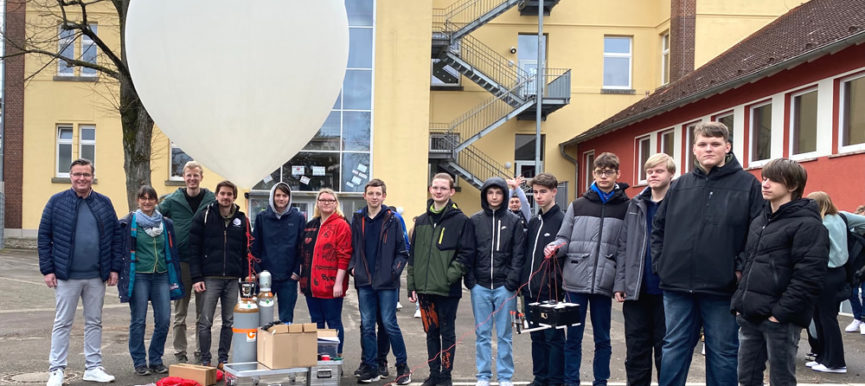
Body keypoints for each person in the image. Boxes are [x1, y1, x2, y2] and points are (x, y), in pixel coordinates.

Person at [651, 122, 762, 386]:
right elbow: (658, 230)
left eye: (715, 143)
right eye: (702, 144)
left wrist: (739, 269)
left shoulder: (748, 185)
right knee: (674, 348)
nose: (708, 149)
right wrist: (661, 264)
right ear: (694, 149)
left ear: (727, 147)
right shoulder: (679, 186)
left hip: (722, 287)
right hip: (677, 285)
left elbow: (758, 234)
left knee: (723, 351)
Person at [731, 158, 829, 385]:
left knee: (781, 380)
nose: (765, 184)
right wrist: (740, 303)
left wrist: (780, 314)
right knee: (746, 378)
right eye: (764, 178)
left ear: (792, 185)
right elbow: (749, 262)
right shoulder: (760, 221)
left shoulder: (808, 225)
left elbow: (809, 277)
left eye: (773, 180)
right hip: (750, 314)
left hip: (781, 320)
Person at [545, 152, 629, 386]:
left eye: (609, 171)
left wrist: (620, 283)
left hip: (605, 282)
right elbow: (564, 237)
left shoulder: (626, 207)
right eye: (599, 171)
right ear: (593, 174)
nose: (604, 175)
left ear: (617, 174)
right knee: (573, 338)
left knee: (603, 339)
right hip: (575, 280)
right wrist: (554, 247)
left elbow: (624, 249)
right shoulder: (578, 204)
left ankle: (600, 381)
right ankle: (571, 381)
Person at [38, 158, 122, 386]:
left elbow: (116, 237)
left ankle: (93, 367)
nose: (82, 178)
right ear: (70, 176)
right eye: (77, 174)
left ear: (92, 176)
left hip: (96, 276)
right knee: (62, 322)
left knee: (94, 321)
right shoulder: (56, 202)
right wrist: (47, 269)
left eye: (86, 174)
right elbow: (44, 236)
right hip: (66, 276)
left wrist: (115, 268)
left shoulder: (104, 203)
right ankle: (56, 370)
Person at [613, 153, 675, 386]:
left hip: (668, 291)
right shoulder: (635, 205)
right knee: (636, 350)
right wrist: (620, 283)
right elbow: (623, 247)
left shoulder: (678, 204)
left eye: (659, 171)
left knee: (666, 350)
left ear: (671, 174)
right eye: (649, 171)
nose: (653, 175)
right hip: (636, 290)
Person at [407, 173, 474, 386]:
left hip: (447, 290)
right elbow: (413, 255)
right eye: (435, 187)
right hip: (425, 291)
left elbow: (467, 253)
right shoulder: (422, 221)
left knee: (447, 333)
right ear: (430, 189)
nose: (438, 191)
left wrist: (448, 277)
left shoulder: (461, 220)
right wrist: (412, 285)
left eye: (443, 188)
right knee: (431, 333)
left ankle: (446, 376)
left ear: (451, 192)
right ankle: (433, 374)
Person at [350, 179, 412, 384]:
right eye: (371, 193)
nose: (374, 197)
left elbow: (403, 252)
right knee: (367, 325)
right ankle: (371, 367)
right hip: (364, 281)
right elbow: (352, 247)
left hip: (387, 282)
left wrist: (393, 273)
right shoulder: (357, 218)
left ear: (384, 196)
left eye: (378, 193)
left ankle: (403, 367)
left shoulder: (393, 219)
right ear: (364, 196)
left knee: (389, 323)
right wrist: (353, 268)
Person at [118, 186, 185, 376]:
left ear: (156, 201)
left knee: (163, 320)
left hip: (162, 275)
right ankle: (139, 362)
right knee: (138, 321)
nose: (147, 202)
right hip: (139, 275)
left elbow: (172, 251)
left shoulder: (166, 223)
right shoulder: (128, 222)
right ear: (138, 200)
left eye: (151, 198)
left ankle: (156, 360)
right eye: (143, 198)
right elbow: (121, 249)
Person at [466, 177, 526, 386]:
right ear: (484, 195)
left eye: (498, 193)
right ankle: (483, 375)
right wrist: (471, 280)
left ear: (504, 195)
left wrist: (512, 282)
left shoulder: (513, 221)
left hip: (504, 288)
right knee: (482, 334)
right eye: (490, 193)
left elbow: (519, 254)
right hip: (480, 287)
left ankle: (505, 376)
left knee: (505, 335)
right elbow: (469, 252)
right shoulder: (474, 221)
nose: (494, 197)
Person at [159, 160, 215, 364]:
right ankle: (180, 353)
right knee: (180, 312)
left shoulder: (210, 198)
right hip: (181, 262)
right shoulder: (172, 199)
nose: (192, 179)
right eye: (188, 175)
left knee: (204, 313)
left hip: (204, 263)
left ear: (201, 177)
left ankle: (201, 353)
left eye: (196, 175)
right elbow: (155, 216)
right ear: (184, 177)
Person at [189, 180, 250, 368]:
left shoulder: (242, 219)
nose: (225, 197)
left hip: (232, 279)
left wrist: (247, 274)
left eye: (229, 194)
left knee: (229, 322)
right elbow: (193, 249)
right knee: (205, 321)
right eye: (222, 193)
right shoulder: (205, 216)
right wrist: (196, 277)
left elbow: (247, 250)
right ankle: (205, 359)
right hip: (210, 278)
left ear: (234, 197)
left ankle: (223, 359)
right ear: (216, 195)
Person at [805, 191, 865, 373]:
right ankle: (824, 357)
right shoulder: (843, 218)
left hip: (825, 274)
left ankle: (835, 362)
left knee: (826, 318)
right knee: (823, 317)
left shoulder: (818, 223)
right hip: (838, 273)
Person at [519, 172, 566, 386]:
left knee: (553, 339)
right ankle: (540, 378)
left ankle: (555, 380)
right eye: (535, 192)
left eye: (543, 192)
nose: (538, 196)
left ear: (554, 191)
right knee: (536, 337)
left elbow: (564, 255)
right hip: (530, 291)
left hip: (551, 292)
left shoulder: (562, 221)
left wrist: (554, 282)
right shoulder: (534, 221)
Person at [299, 188, 352, 357]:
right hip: (311, 286)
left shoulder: (341, 225)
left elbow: (344, 255)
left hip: (330, 285)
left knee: (334, 322)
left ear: (336, 203)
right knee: (316, 322)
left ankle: (336, 356)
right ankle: (320, 356)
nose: (326, 203)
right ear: (318, 203)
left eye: (330, 200)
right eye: (323, 200)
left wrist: (339, 283)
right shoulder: (311, 226)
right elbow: (303, 253)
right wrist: (303, 280)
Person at [250, 182, 305, 324]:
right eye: (278, 195)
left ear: (289, 198)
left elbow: (302, 248)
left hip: (288, 278)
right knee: (261, 317)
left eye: (284, 196)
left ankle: (282, 346)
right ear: (272, 197)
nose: (281, 199)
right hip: (265, 277)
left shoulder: (298, 218)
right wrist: (257, 271)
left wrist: (296, 271)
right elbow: (255, 247)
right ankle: (262, 345)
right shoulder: (262, 217)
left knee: (286, 319)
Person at [846, 203, 865, 334]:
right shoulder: (852, 234)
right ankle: (857, 318)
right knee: (851, 293)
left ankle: (863, 320)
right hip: (854, 268)